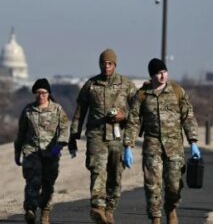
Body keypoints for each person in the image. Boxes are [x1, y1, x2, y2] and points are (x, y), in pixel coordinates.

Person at [123, 58, 199, 224]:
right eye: (158, 73)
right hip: (152, 146)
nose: (162, 76)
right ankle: (155, 218)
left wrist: (193, 141)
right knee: (152, 185)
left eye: (164, 72)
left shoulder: (177, 91)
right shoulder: (142, 95)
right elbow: (133, 121)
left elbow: (188, 117)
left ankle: (171, 208)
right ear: (152, 76)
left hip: (174, 147)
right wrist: (128, 146)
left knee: (174, 185)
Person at [69, 48, 137, 224]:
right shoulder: (91, 85)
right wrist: (73, 135)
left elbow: (138, 112)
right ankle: (97, 207)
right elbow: (80, 112)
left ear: (115, 65)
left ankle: (109, 210)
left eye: (109, 63)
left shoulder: (126, 85)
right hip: (96, 135)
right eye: (103, 63)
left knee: (115, 175)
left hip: (118, 137)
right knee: (97, 170)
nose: (106, 67)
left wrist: (125, 116)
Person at [14, 78, 69, 224]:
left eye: (44, 92)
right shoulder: (28, 111)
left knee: (48, 184)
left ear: (48, 93)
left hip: (51, 152)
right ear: (34, 94)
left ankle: (45, 212)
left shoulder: (57, 109)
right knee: (33, 181)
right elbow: (21, 133)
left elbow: (64, 129)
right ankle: (30, 209)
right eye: (38, 93)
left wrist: (59, 145)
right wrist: (17, 151)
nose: (41, 96)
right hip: (31, 151)